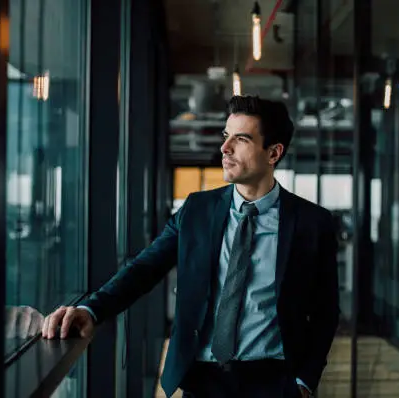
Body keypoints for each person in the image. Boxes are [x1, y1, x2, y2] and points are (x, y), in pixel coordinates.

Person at [42, 96, 340, 398]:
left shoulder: (313, 223)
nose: (225, 148)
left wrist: (305, 380)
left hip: (274, 382)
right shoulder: (197, 209)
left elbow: (326, 311)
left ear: (273, 152)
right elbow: (145, 268)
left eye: (241, 139)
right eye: (226, 137)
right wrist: (92, 309)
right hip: (202, 379)